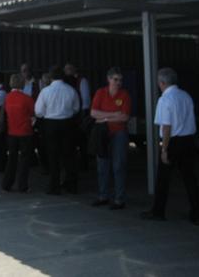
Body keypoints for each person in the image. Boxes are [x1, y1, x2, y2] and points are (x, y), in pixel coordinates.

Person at [141, 68, 199, 225]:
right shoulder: (186, 96)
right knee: (190, 178)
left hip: (173, 142)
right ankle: (197, 213)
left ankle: (158, 211)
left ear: (162, 82)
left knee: (163, 178)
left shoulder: (164, 99)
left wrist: (164, 148)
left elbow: (166, 127)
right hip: (188, 140)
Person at [35, 65, 80, 194]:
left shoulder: (45, 91)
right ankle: (71, 185)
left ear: (50, 76)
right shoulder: (71, 90)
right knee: (69, 155)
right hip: (67, 124)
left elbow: (38, 111)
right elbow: (76, 108)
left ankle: (54, 186)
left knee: (53, 156)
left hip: (51, 124)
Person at [90, 67, 131, 210]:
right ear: (108, 79)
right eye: (115, 79)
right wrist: (113, 115)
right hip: (103, 134)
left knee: (118, 165)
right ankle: (103, 196)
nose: (118, 82)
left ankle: (119, 199)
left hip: (119, 133)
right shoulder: (100, 92)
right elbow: (93, 113)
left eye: (120, 80)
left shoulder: (124, 94)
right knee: (102, 165)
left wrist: (104, 118)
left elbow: (125, 117)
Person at [2, 74, 35, 193]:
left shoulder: (7, 98)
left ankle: (7, 184)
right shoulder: (27, 98)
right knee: (24, 160)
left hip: (12, 131)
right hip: (25, 131)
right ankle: (22, 185)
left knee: (12, 159)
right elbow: (33, 112)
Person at [64, 63, 92, 171]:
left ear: (74, 69)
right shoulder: (66, 82)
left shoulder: (82, 81)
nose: (66, 71)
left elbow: (86, 100)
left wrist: (82, 115)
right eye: (66, 69)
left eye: (68, 69)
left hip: (80, 115)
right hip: (72, 115)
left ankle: (84, 163)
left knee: (82, 140)